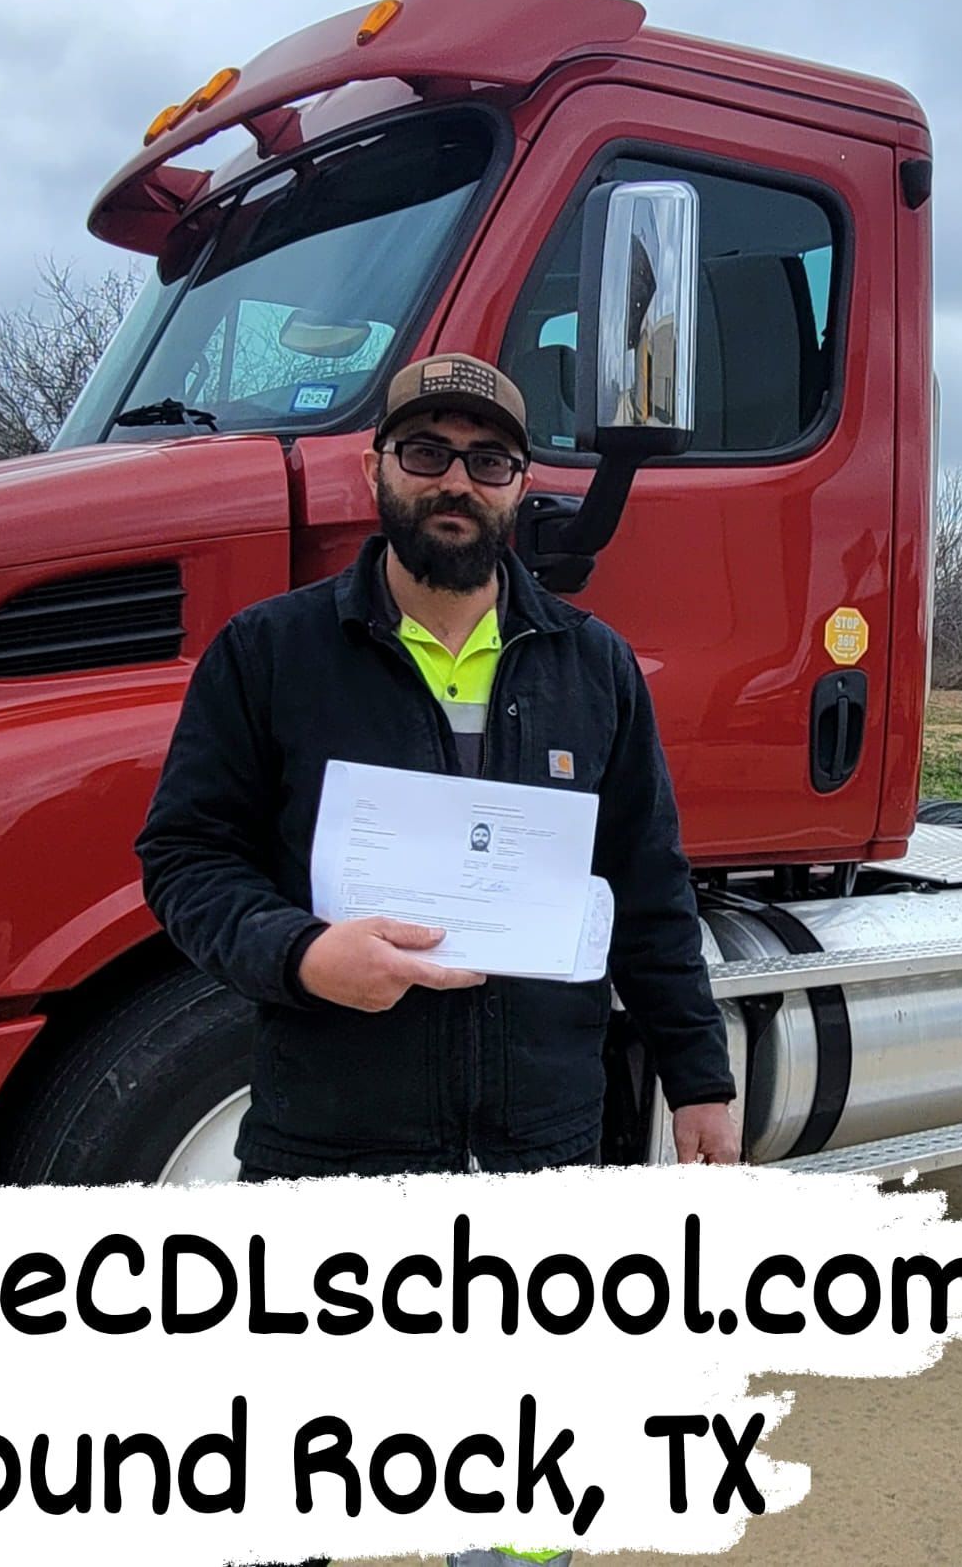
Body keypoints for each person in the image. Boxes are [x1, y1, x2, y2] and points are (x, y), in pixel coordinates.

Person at [136, 351, 739, 1181]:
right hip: (331, 1151)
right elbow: (186, 857)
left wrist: (699, 1078)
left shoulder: (592, 664)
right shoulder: (268, 652)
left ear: (519, 483)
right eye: (425, 452)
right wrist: (301, 955)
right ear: (372, 467)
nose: (456, 481)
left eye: (488, 461)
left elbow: (648, 886)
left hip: (547, 1154)